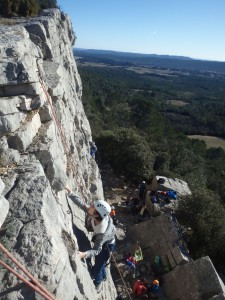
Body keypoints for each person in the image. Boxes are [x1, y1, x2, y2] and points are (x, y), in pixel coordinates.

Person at [65, 185, 116, 293]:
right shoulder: (97, 214)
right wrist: (70, 192)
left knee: (96, 268)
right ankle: (103, 275)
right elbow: (83, 206)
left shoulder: (102, 231)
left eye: (92, 206)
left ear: (96, 213)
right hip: (104, 242)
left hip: (107, 245)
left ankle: (98, 284)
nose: (90, 206)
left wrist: (84, 254)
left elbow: (97, 250)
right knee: (99, 263)